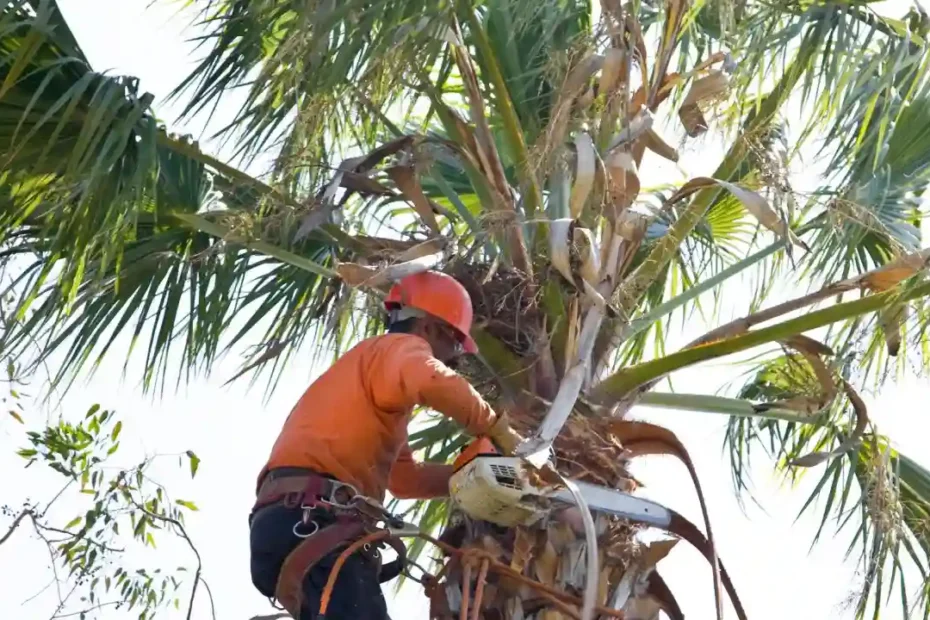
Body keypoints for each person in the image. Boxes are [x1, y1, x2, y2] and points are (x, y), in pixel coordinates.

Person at [248, 270, 523, 619]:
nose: (454, 359)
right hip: (315, 519)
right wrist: (497, 428)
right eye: (453, 345)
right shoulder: (396, 349)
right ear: (427, 328)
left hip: (286, 525)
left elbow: (404, 481)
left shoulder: (372, 387)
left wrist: (476, 473)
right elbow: (435, 379)